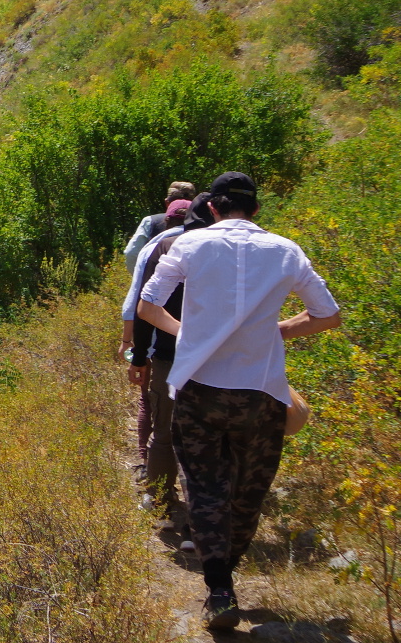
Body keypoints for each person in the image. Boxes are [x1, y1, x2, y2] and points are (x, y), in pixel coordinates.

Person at [138, 172, 341, 630]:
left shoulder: (190, 246)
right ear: (256, 209)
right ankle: (227, 573)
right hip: (261, 391)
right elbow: (328, 316)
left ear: (212, 207)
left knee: (205, 488)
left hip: (200, 388)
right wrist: (282, 329)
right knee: (248, 493)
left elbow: (149, 305)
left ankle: (219, 590)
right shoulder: (287, 251)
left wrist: (185, 332)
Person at [124, 195, 213, 548]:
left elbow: (146, 305)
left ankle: (162, 508)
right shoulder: (232, 252)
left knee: (165, 434)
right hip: (218, 359)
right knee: (206, 443)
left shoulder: (165, 246)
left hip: (169, 356)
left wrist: (138, 357)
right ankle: (198, 523)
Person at [120, 180, 198, 469]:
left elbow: (138, 301)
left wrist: (130, 344)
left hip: (160, 340)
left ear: (168, 206)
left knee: (151, 401)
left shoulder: (155, 237)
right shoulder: (214, 243)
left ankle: (148, 467)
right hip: (205, 347)